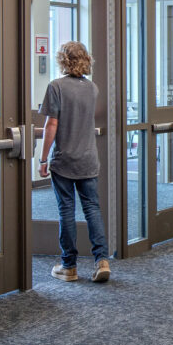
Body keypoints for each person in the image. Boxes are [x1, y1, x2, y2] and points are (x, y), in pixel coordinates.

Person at [39, 41, 110, 283]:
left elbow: (52, 125)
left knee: (66, 211)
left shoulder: (55, 87)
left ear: (63, 60)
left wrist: (42, 158)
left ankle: (69, 266)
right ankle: (101, 260)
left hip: (65, 160)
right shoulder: (92, 88)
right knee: (92, 209)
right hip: (89, 159)